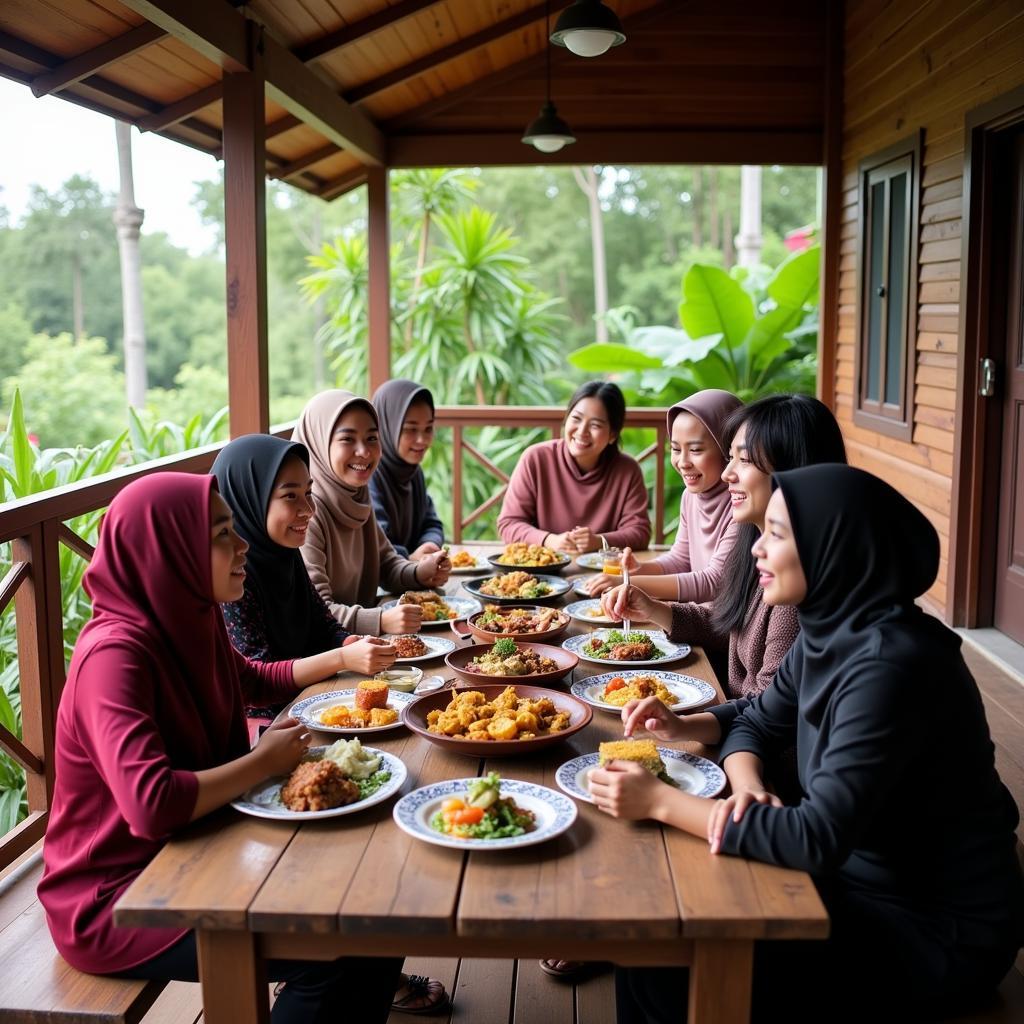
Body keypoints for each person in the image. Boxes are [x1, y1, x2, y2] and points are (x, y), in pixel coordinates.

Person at [592, 465, 1024, 1023]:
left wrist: (661, 803)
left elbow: (816, 837)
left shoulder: (891, 665)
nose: (756, 552)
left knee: (660, 964)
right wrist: (727, 769)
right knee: (655, 931)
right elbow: (756, 720)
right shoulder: (834, 627)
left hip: (934, 927)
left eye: (776, 535)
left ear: (832, 543)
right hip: (852, 879)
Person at [37, 473, 404, 1023]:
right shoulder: (114, 657)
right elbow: (151, 803)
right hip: (117, 898)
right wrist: (262, 762)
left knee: (380, 908)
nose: (243, 547)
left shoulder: (189, 614)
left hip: (201, 845)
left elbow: (252, 678)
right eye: (221, 535)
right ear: (169, 548)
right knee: (337, 949)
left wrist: (341, 658)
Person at [602, 395, 847, 744]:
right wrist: (656, 609)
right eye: (730, 456)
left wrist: (692, 729)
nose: (728, 473)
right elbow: (732, 624)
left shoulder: (798, 586)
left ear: (792, 471)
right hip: (734, 722)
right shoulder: (759, 541)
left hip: (755, 749)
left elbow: (770, 717)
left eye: (742, 460)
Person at [295, 390, 451, 635]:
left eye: (371, 438)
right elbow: (318, 611)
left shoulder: (356, 495)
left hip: (361, 645)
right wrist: (380, 620)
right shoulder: (306, 512)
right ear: (318, 441)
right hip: (326, 654)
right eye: (348, 439)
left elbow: (386, 564)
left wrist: (422, 572)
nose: (364, 452)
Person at [586, 389, 742, 600]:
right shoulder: (691, 496)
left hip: (726, 625)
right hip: (700, 615)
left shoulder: (743, 502)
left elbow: (713, 582)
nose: (683, 463)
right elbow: (681, 559)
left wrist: (629, 583)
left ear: (728, 450)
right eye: (676, 449)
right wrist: (639, 569)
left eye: (696, 450)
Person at [497, 381, 650, 554]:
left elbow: (640, 533)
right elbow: (508, 524)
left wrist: (599, 541)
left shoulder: (627, 470)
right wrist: (549, 540)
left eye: (595, 425)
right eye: (576, 418)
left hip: (604, 575)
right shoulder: (536, 459)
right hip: (544, 572)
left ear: (612, 435)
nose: (582, 431)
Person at [370, 379, 445, 561]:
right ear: (386, 427)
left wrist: (428, 545)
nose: (422, 440)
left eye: (428, 428)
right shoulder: (369, 475)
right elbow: (376, 545)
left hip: (410, 576)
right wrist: (410, 557)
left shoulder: (413, 472)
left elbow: (432, 522)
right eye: (410, 429)